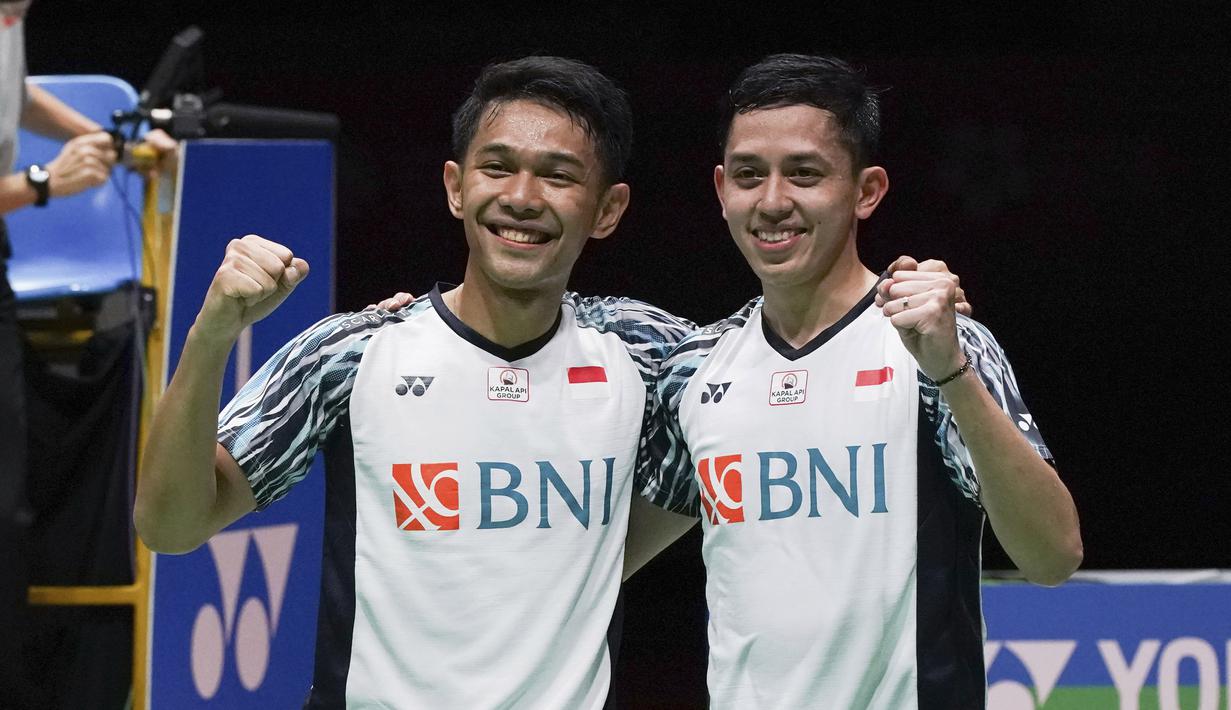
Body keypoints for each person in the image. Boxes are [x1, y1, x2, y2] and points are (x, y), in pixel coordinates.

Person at [134, 55, 704, 708]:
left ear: (608, 209)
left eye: (557, 175)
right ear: (455, 186)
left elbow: (775, 393)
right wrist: (209, 338)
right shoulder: (352, 354)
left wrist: (575, 567)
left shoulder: (651, 355)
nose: (521, 196)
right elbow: (169, 527)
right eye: (497, 167)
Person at [629, 54, 1083, 709]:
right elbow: (592, 570)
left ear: (865, 191)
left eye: (805, 175)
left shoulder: (935, 346)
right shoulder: (699, 367)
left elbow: (1052, 557)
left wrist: (948, 370)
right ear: (721, 189)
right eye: (749, 176)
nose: (773, 201)